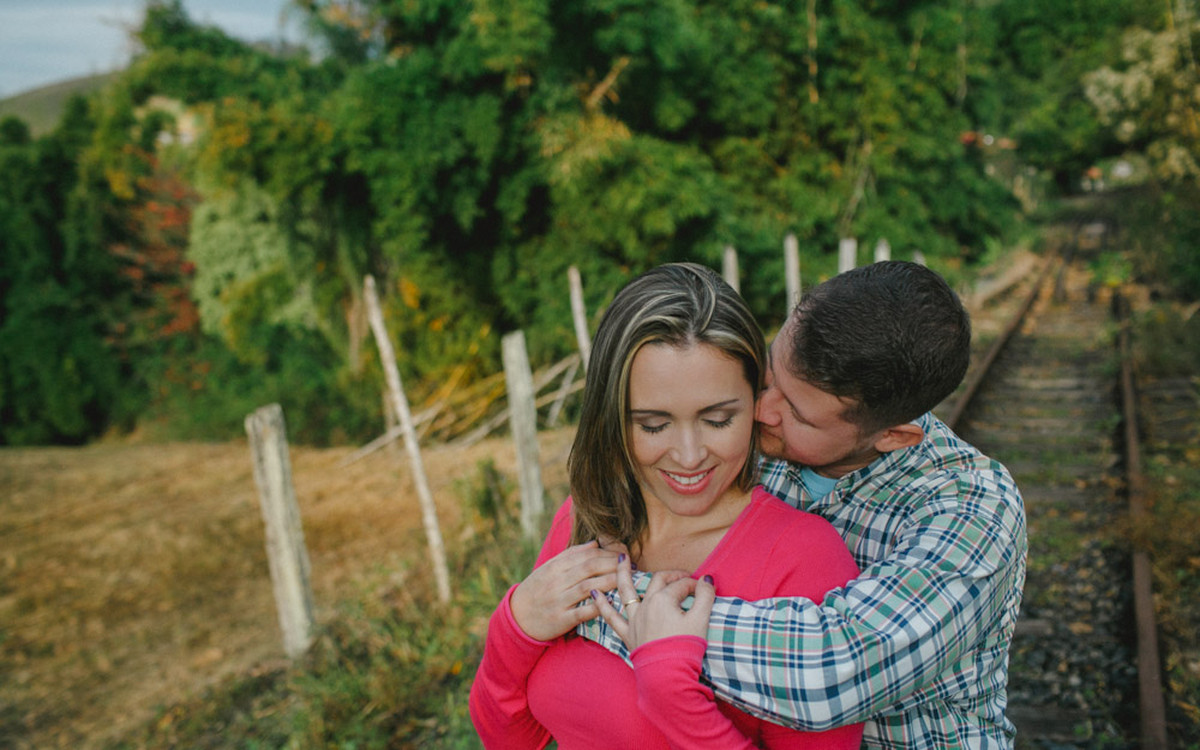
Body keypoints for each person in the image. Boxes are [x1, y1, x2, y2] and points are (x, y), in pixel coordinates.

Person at [587, 260, 1028, 748]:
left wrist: (605, 602)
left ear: (891, 436)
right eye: (770, 373)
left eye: (796, 413)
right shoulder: (741, 440)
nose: (760, 410)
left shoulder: (971, 508)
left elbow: (832, 670)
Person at [469, 262, 863, 748]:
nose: (690, 456)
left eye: (718, 419)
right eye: (653, 426)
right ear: (612, 418)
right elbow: (509, 738)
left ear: (758, 401)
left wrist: (670, 690)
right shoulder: (582, 519)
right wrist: (515, 626)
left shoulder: (804, 562)